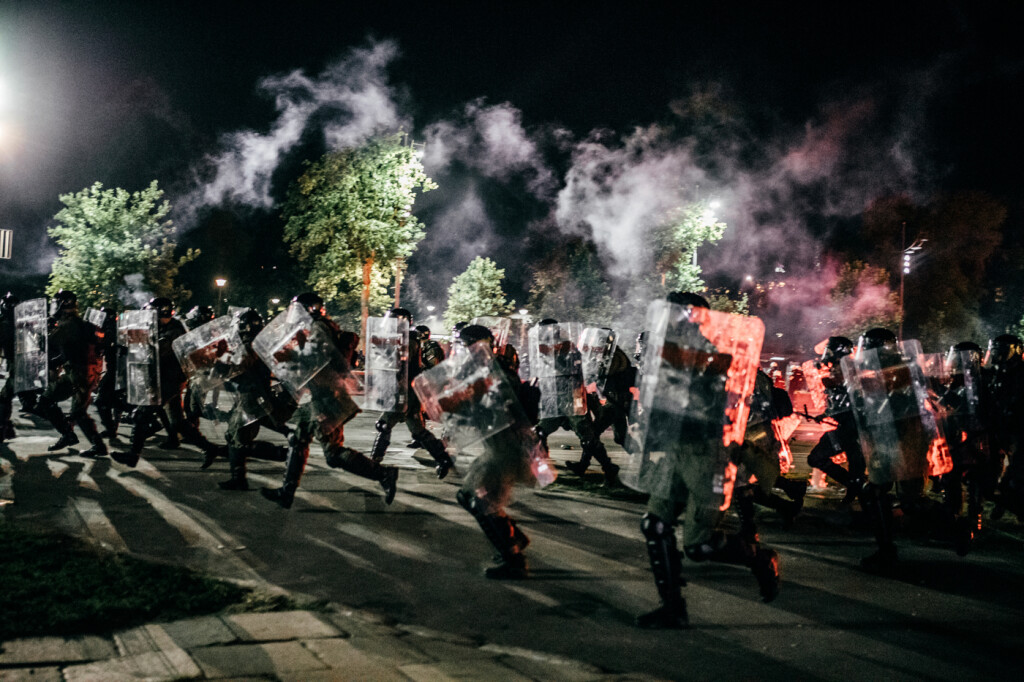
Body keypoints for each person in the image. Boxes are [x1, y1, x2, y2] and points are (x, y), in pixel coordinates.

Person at [635, 292, 779, 630]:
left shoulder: (715, 354)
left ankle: (759, 559)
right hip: (675, 448)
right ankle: (673, 607)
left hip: (705, 452)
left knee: (698, 547)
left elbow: (719, 399)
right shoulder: (670, 351)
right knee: (654, 525)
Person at [260, 293, 398, 509]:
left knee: (332, 454)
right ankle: (286, 493)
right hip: (322, 394)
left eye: (298, 310)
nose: (295, 314)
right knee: (299, 439)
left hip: (327, 397)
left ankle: (384, 473)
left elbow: (316, 359)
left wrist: (290, 355)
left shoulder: (320, 328)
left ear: (309, 309)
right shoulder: (319, 327)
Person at [444, 324, 544, 579]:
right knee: (468, 496)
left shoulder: (499, 371)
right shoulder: (479, 371)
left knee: (482, 500)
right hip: (495, 448)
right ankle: (515, 539)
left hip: (508, 448)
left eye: (468, 345)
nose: (464, 351)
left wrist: (468, 401)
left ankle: (515, 561)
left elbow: (500, 407)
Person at [112, 297, 218, 467]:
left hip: (169, 381)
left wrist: (136, 344)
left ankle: (133, 454)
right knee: (178, 422)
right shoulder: (164, 326)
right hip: (166, 380)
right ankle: (209, 448)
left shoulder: (174, 330)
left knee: (141, 415)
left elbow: (157, 349)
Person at [532, 318, 620, 486]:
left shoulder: (567, 347)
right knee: (540, 432)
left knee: (587, 437)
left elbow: (572, 370)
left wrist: (552, 356)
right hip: (554, 397)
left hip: (571, 397)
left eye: (544, 331)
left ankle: (608, 467)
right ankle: (544, 469)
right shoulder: (545, 349)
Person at [369, 308, 455, 479]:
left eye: (393, 320)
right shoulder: (400, 339)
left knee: (385, 425)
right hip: (405, 391)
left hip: (406, 392)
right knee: (418, 431)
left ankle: (374, 463)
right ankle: (443, 459)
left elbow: (400, 360)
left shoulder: (410, 339)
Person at [215, 309, 291, 490]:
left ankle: (282, 454)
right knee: (235, 437)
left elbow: (239, 368)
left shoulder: (250, 345)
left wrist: (220, 362)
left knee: (238, 438)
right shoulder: (261, 343)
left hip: (250, 395)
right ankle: (281, 454)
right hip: (251, 394)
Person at [35, 290, 107, 457]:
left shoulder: (69, 325)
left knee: (71, 410)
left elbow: (48, 343)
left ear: (61, 305)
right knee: (55, 403)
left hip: (80, 374)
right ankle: (72, 436)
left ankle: (89, 443)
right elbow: (71, 350)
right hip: (79, 372)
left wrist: (42, 330)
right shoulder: (76, 323)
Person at [805, 336, 866, 504]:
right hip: (843, 423)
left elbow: (850, 397)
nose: (827, 354)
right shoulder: (841, 368)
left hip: (853, 424)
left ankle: (860, 493)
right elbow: (839, 400)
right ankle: (857, 488)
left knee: (854, 462)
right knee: (851, 463)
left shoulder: (850, 369)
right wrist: (826, 414)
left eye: (830, 350)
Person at [0, 292, 19, 443]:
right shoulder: (22, 323)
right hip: (21, 366)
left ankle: (3, 428)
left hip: (18, 366)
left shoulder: (6, 325)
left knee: (4, 397)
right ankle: (7, 428)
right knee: (6, 397)